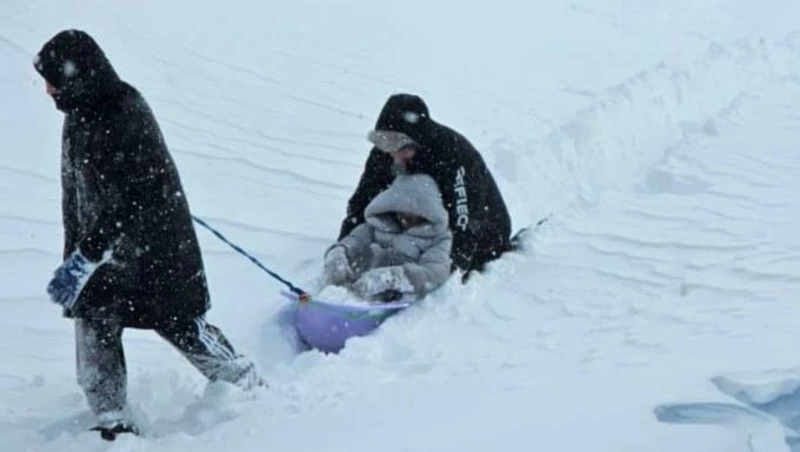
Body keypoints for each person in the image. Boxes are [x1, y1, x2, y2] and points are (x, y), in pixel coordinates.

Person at [34, 29, 262, 441]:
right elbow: (80, 194)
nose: (48, 90)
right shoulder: (78, 113)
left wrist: (87, 255)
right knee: (94, 321)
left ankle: (241, 380)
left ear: (78, 76)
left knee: (179, 321)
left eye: (53, 80)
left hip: (154, 249)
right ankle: (111, 417)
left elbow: (135, 197)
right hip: (101, 249)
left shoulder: (125, 112)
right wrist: (80, 251)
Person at [338, 93, 513, 278]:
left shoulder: (452, 153)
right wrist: (345, 246)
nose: (393, 153)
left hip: (484, 234)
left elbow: (466, 219)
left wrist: (451, 271)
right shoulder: (385, 153)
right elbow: (363, 200)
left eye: (400, 145)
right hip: (419, 226)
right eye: (385, 142)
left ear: (417, 141)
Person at [324, 173, 452, 302]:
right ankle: (337, 291)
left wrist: (393, 277)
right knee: (362, 251)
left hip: (397, 290)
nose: (405, 219)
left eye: (412, 215)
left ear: (427, 213)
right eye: (401, 212)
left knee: (393, 258)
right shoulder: (378, 223)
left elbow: (434, 272)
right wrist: (338, 255)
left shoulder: (438, 237)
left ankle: (367, 299)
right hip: (359, 278)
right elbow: (354, 240)